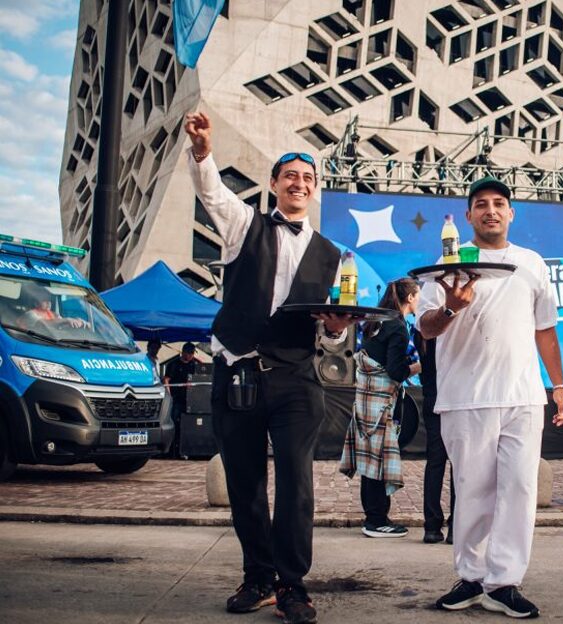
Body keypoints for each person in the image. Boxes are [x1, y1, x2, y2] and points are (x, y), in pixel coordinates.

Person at [184, 111, 355, 624]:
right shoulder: (245, 224)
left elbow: (330, 331)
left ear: (315, 189)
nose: (299, 183)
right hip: (237, 370)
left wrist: (336, 329)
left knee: (297, 485)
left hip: (296, 378)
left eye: (307, 177)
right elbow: (212, 192)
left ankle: (292, 585)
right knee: (245, 483)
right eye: (290, 176)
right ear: (275, 184)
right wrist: (202, 151)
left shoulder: (330, 253)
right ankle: (258, 577)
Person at [416, 176, 563, 618]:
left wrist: (559, 385)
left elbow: (545, 330)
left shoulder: (531, 263)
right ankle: (470, 576)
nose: (491, 210)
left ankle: (504, 582)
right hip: (465, 396)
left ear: (511, 213)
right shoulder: (448, 264)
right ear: (468, 216)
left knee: (520, 489)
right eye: (481, 204)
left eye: (499, 203)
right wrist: (451, 307)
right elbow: (425, 327)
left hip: (523, 395)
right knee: (473, 491)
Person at [340, 278, 421, 538]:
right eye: (418, 295)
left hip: (366, 401)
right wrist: (421, 366)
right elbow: (396, 371)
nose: (420, 300)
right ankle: (376, 520)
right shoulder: (398, 327)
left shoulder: (376, 322)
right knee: (378, 461)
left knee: (369, 459)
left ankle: (374, 517)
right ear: (410, 298)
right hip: (381, 403)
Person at [415, 327, 455, 544]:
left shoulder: (422, 333)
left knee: (435, 463)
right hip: (455, 400)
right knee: (458, 464)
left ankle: (431, 526)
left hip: (432, 399)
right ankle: (456, 526)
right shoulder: (451, 332)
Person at [163, 342, 200, 458]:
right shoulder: (173, 364)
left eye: (192, 353)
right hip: (176, 399)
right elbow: (166, 380)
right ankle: (171, 450)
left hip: (190, 400)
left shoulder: (194, 365)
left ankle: (184, 449)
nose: (190, 356)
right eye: (188, 353)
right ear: (183, 352)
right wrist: (169, 395)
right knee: (174, 422)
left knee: (188, 424)